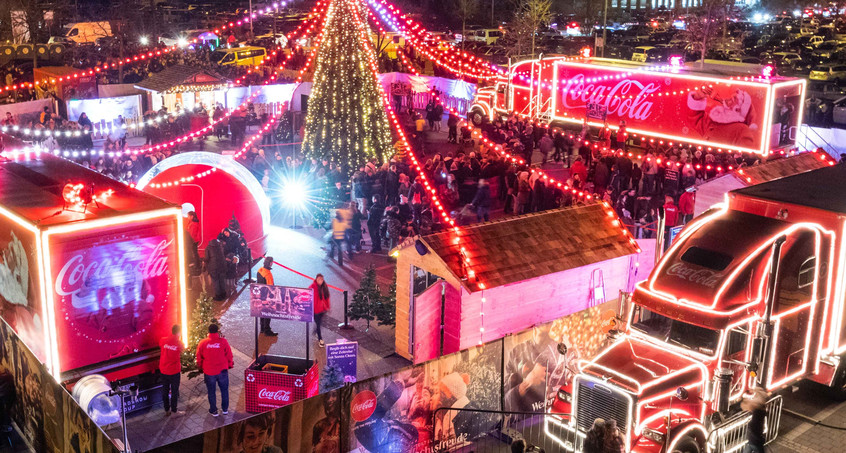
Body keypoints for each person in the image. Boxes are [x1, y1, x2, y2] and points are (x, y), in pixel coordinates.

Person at [197, 323, 234, 417]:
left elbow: (199, 357)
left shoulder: (203, 343)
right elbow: (229, 354)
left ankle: (214, 411)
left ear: (208, 332)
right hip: (222, 370)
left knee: (211, 391)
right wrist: (229, 365)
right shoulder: (223, 341)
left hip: (209, 372)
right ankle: (225, 409)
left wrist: (200, 367)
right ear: (217, 331)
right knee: (224, 390)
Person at [159, 325, 182, 416]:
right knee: (174, 391)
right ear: (179, 332)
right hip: (174, 371)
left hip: (164, 370)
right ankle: (174, 411)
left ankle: (167, 410)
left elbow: (161, 344)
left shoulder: (163, 340)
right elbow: (182, 350)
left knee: (165, 390)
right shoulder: (179, 344)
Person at [256, 257, 278, 336]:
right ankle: (267, 330)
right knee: (268, 313)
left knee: (262, 312)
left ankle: (262, 328)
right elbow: (270, 287)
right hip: (267, 297)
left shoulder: (260, 270)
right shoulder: (268, 274)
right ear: (270, 263)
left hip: (260, 295)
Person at [741, 389, 768, 453]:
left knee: (751, 448)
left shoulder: (758, 411)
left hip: (754, 440)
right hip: (755, 440)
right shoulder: (761, 411)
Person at [311, 274, 331, 348]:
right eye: (319, 279)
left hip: (322, 309)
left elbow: (327, 298)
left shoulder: (324, 287)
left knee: (320, 323)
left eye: (322, 280)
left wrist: (327, 307)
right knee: (319, 324)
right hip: (315, 311)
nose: (320, 281)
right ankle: (320, 339)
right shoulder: (312, 287)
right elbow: (307, 295)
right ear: (316, 279)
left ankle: (315, 331)